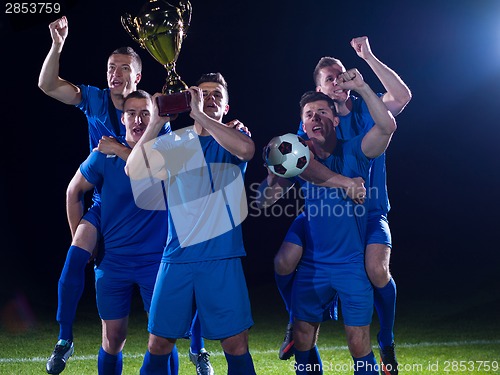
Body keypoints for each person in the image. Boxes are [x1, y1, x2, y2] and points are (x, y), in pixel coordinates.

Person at [39, 16, 212, 375]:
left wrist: (216, 123)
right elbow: (47, 85)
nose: (114, 73)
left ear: (138, 76)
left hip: (151, 217)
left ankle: (198, 348)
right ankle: (64, 338)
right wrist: (57, 45)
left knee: (166, 329)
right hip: (108, 204)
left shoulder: (157, 118)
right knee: (80, 262)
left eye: (123, 68)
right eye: (109, 67)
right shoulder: (96, 101)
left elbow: (183, 150)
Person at [275, 36, 411, 375]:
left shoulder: (367, 108)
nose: (338, 81)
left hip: (369, 210)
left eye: (340, 74)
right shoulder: (313, 120)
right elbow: (297, 163)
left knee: (376, 270)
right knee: (283, 261)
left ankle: (387, 339)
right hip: (325, 213)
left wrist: (368, 58)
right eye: (329, 78)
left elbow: (402, 99)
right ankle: (296, 321)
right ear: (318, 88)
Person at [125, 73, 257, 375]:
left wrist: (199, 114)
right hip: (177, 258)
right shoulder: (178, 145)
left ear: (226, 106)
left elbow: (248, 151)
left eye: (216, 96)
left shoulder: (232, 139)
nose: (210, 99)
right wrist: (157, 121)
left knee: (235, 345)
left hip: (221, 257)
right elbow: (133, 170)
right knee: (158, 343)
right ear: (191, 96)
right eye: (204, 93)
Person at [65, 90, 178, 374]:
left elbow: (148, 173)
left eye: (145, 113)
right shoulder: (103, 155)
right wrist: (79, 237)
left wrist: (120, 150)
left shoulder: (167, 152)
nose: (138, 119)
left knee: (164, 338)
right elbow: (74, 191)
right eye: (131, 113)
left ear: (154, 119)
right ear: (122, 117)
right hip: (113, 261)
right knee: (113, 338)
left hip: (157, 262)